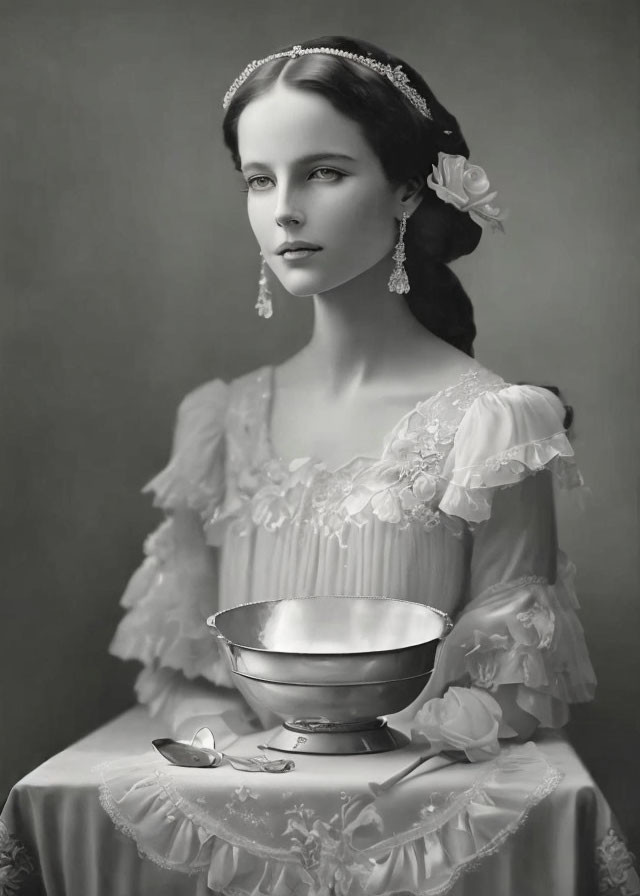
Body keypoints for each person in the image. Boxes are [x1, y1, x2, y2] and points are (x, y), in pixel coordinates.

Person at [110, 35, 595, 748]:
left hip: (406, 812)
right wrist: (211, 734)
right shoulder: (220, 420)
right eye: (259, 179)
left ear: (405, 188)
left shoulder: (493, 424)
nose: (284, 211)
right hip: (247, 799)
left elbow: (517, 680)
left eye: (323, 173)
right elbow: (180, 657)